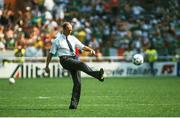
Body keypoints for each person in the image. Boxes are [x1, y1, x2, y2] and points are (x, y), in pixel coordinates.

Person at [45, 22, 104, 109]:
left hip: (74, 59)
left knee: (78, 83)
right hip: (65, 60)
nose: (70, 31)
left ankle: (73, 104)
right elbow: (50, 54)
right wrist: (47, 66)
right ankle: (98, 75)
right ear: (64, 29)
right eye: (69, 30)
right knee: (81, 64)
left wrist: (90, 50)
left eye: (71, 29)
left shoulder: (72, 38)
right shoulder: (57, 41)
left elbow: (82, 46)